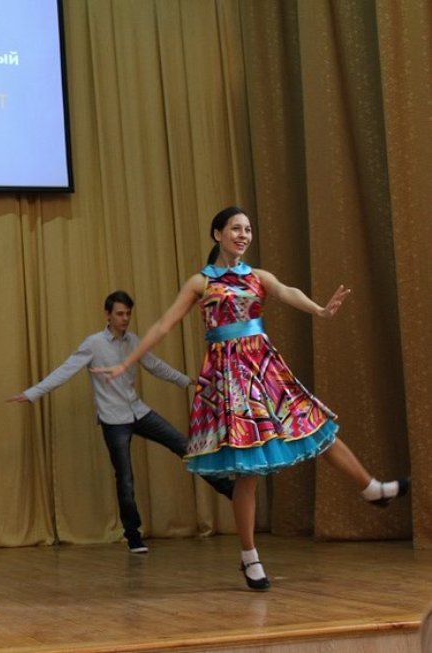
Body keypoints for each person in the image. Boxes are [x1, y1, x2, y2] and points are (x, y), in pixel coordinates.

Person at [94, 206, 410, 590]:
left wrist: (320, 310)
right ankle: (249, 557)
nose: (243, 235)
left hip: (265, 367)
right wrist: (126, 362)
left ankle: (371, 488)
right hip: (230, 377)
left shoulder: (257, 276)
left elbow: (286, 291)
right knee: (247, 470)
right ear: (218, 234)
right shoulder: (201, 282)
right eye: (235, 228)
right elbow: (164, 325)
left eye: (247, 229)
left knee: (314, 425)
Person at [8, 291, 234, 554]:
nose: (124, 318)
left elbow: (155, 365)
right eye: (119, 314)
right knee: (125, 478)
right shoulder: (93, 344)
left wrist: (187, 381)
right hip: (113, 419)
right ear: (108, 315)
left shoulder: (134, 341)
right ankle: (133, 535)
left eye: (128, 314)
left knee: (185, 447)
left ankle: (230, 489)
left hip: (138, 411)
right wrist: (32, 393)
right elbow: (65, 371)